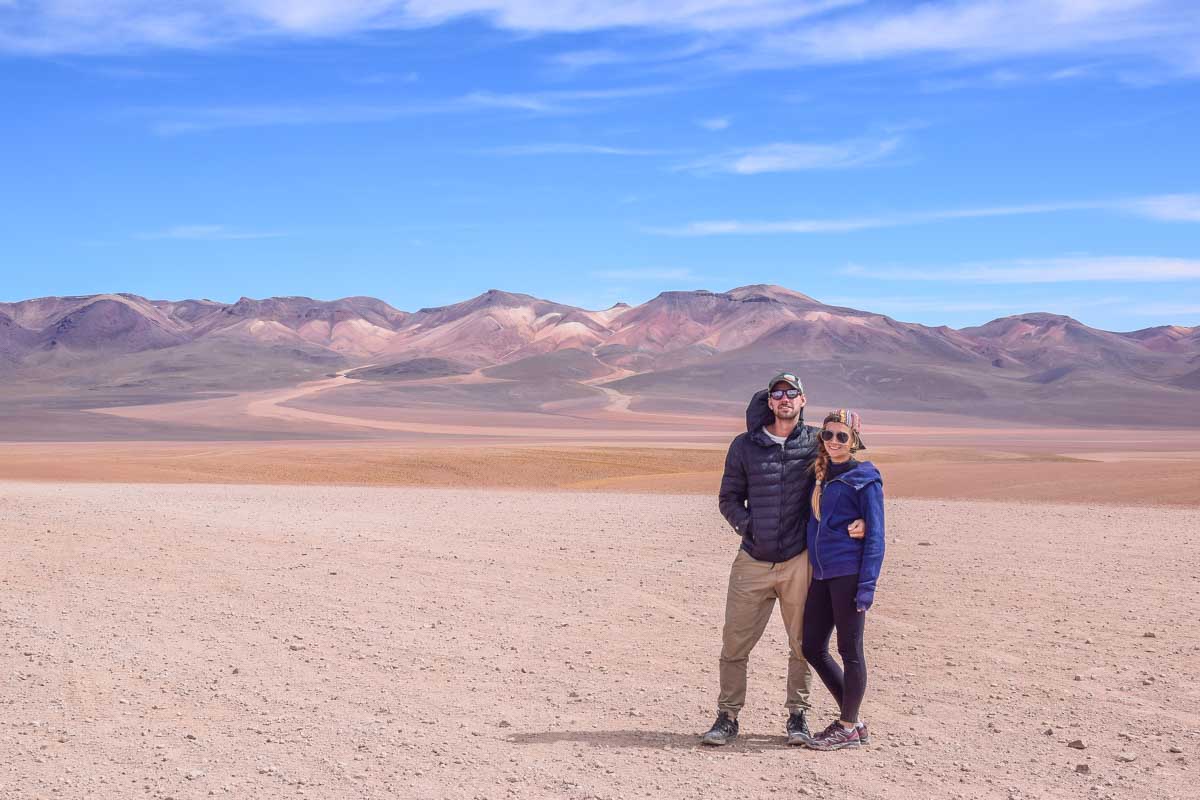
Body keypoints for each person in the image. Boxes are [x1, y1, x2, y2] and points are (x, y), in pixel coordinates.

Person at [702, 373, 863, 747]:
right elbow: (728, 498)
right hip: (752, 560)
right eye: (778, 394)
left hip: (798, 562)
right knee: (735, 643)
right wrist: (749, 526)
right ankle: (727, 717)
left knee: (801, 643)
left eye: (792, 393)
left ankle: (798, 716)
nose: (785, 399)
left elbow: (847, 468)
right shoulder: (744, 446)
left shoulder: (816, 444)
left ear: (803, 401)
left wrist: (864, 517)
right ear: (770, 401)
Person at [801, 409, 885, 751]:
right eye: (828, 435)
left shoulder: (865, 478)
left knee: (850, 650)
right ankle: (854, 720)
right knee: (812, 646)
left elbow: (876, 535)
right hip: (820, 574)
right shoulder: (818, 473)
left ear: (854, 441)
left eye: (842, 436)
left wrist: (867, 586)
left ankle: (848, 726)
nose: (834, 442)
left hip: (849, 574)